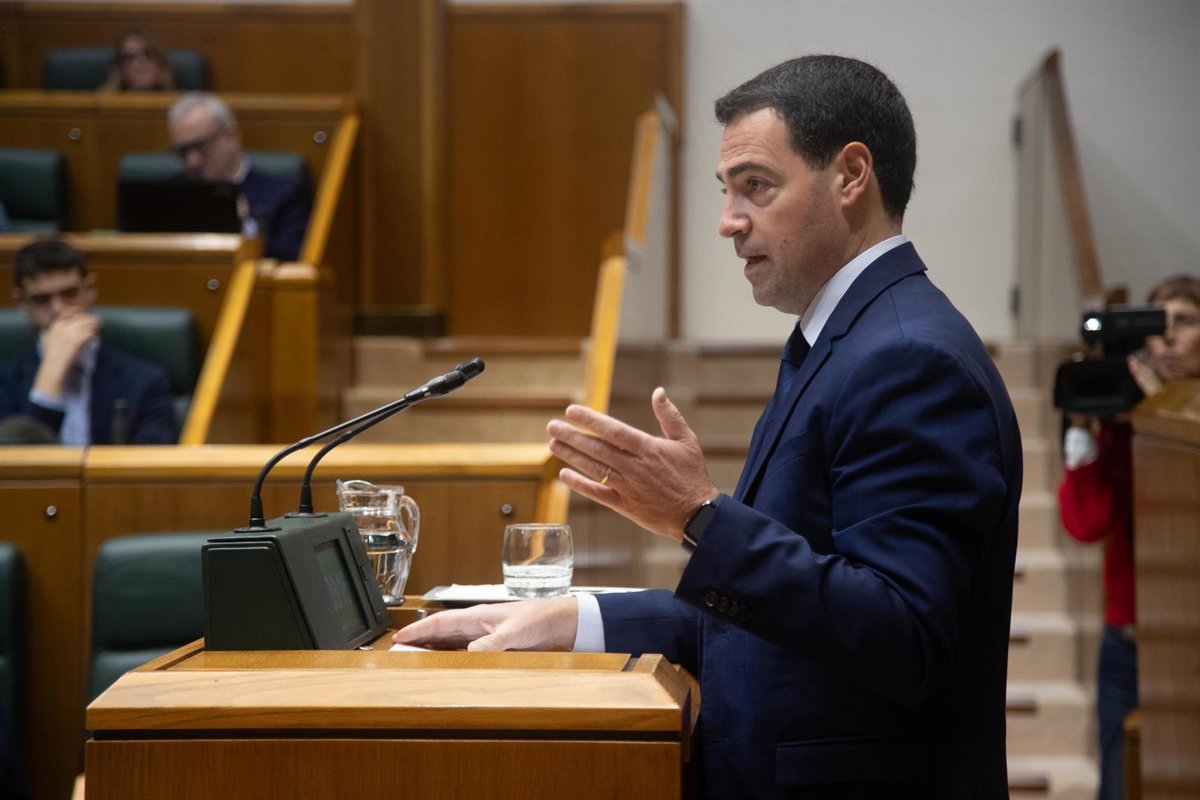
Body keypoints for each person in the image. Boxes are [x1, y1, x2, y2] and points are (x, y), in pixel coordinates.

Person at [395, 55, 1023, 799]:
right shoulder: (846, 341)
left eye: (756, 186)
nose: (728, 221)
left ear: (851, 176)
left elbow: (900, 635)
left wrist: (699, 515)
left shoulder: (907, 358)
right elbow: (780, 619)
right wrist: (571, 617)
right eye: (726, 190)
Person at [1058, 274, 1200, 800]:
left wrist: (1168, 406)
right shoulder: (1124, 423)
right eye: (1158, 325)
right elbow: (1086, 524)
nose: (1170, 337)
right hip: (1128, 642)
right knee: (1119, 784)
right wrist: (1082, 427)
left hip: (1189, 646)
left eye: (1185, 322)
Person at [0, 239, 176, 445]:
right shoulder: (5, 384)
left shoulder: (146, 382)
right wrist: (50, 375)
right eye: (42, 299)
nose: (58, 309)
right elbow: (12, 462)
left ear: (89, 289)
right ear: (21, 302)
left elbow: (150, 461)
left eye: (69, 294)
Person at [167, 93, 312, 261]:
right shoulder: (169, 195)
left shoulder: (285, 195)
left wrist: (246, 228)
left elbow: (293, 259)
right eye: (183, 151)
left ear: (231, 136)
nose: (192, 161)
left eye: (201, 147)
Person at [98, 27, 175, 92]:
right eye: (129, 57)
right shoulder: (100, 102)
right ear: (120, 68)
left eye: (148, 54)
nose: (140, 61)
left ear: (160, 61)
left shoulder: (179, 103)